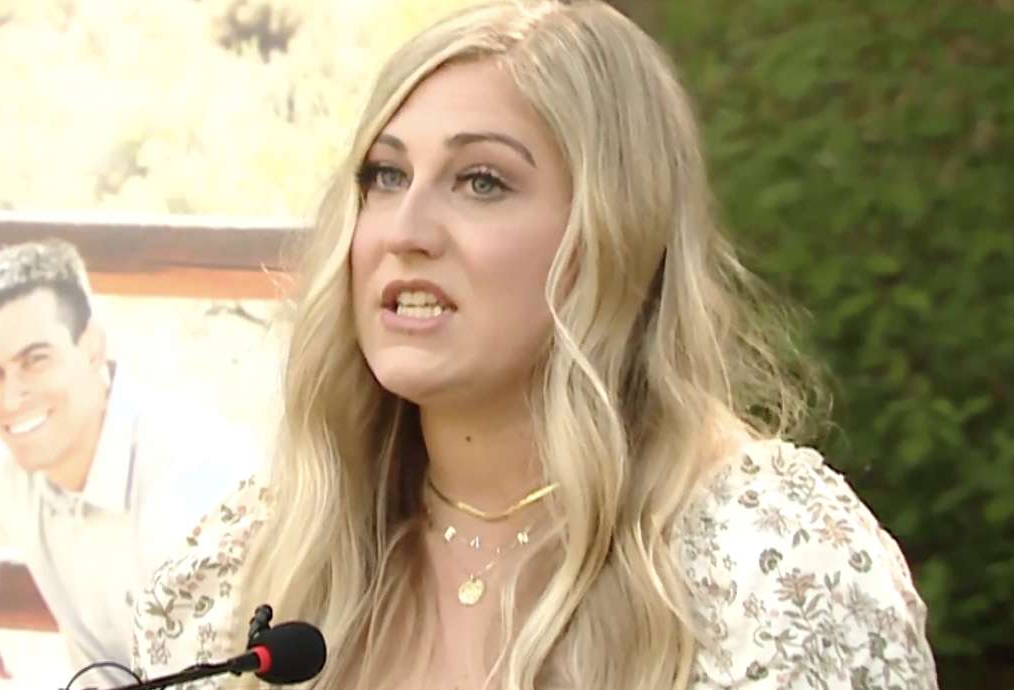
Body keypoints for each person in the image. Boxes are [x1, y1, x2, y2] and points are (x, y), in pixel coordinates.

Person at [132, 2, 938, 689]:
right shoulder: (253, 560)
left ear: (616, 233)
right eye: (384, 176)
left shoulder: (774, 567)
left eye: (482, 181)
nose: (404, 233)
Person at [0, 239, 256, 688]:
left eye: (35, 360)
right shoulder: (12, 470)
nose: (12, 397)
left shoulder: (193, 485)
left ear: (92, 347)